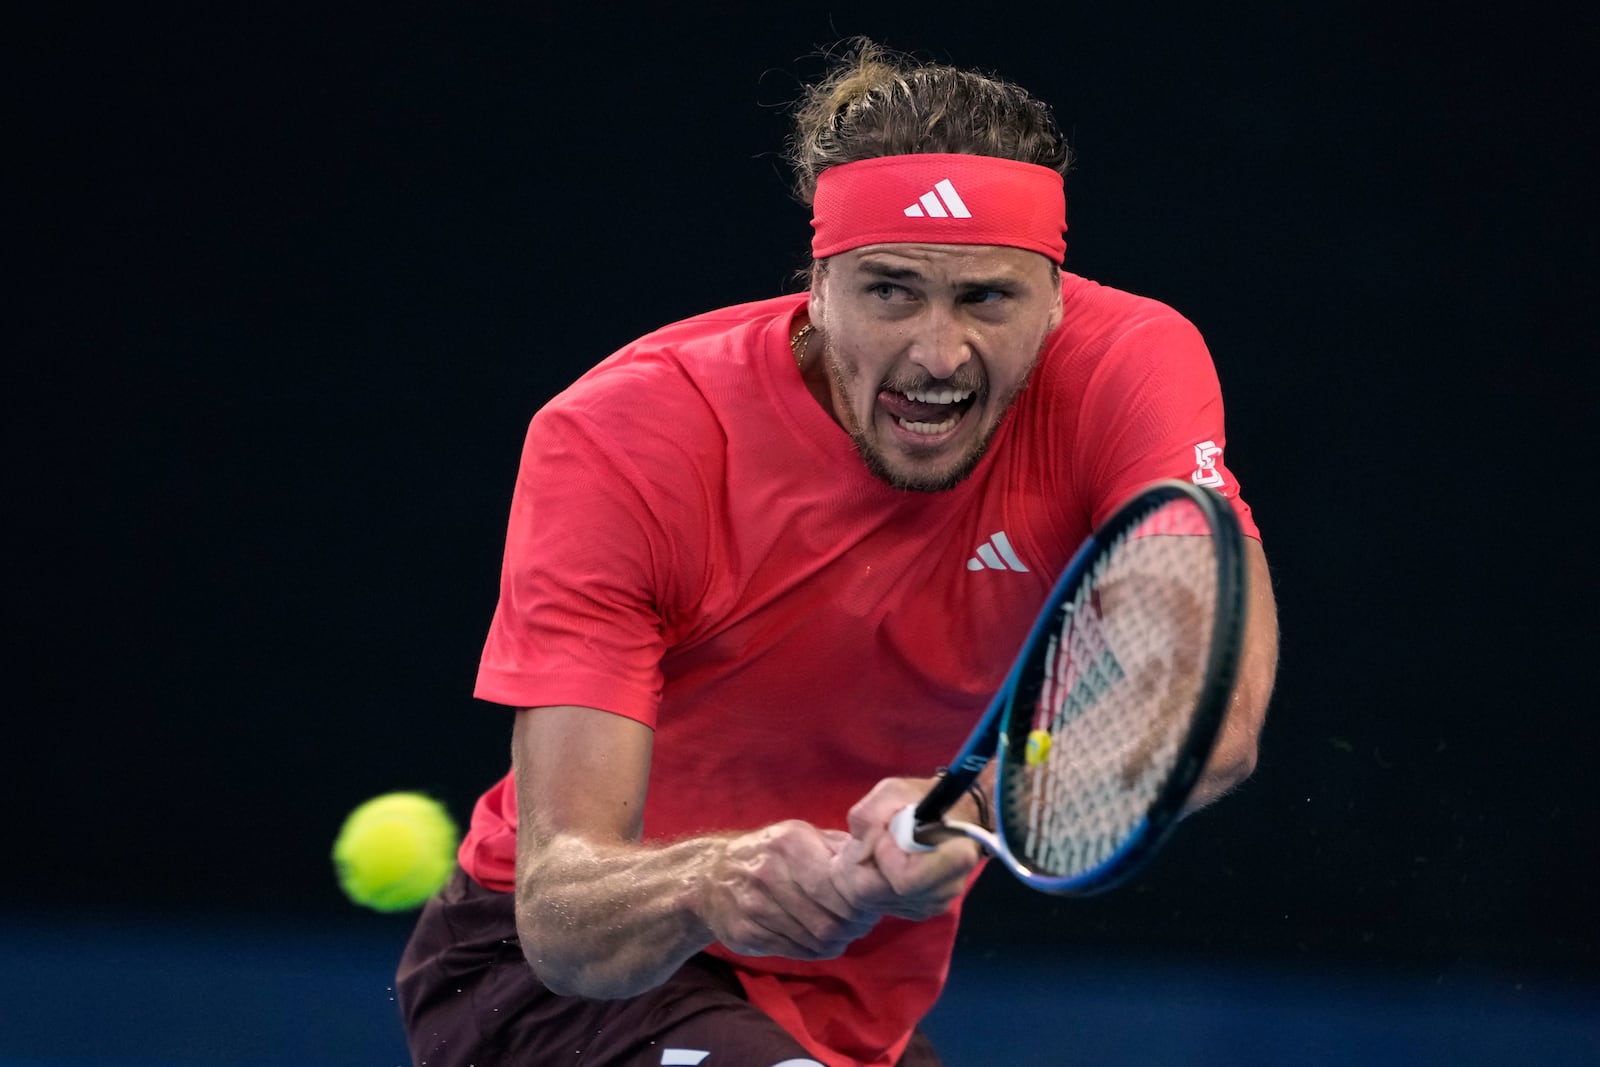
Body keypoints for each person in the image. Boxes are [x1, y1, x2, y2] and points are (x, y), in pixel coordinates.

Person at [397, 39, 1279, 1067]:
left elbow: (1210, 718)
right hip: (552, 982)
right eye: (889, 290)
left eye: (986, 298)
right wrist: (711, 879)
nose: (937, 353)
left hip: (853, 1006)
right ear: (816, 285)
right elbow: (560, 911)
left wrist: (975, 806)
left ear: (1054, 295)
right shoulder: (624, 436)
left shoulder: (1127, 363)